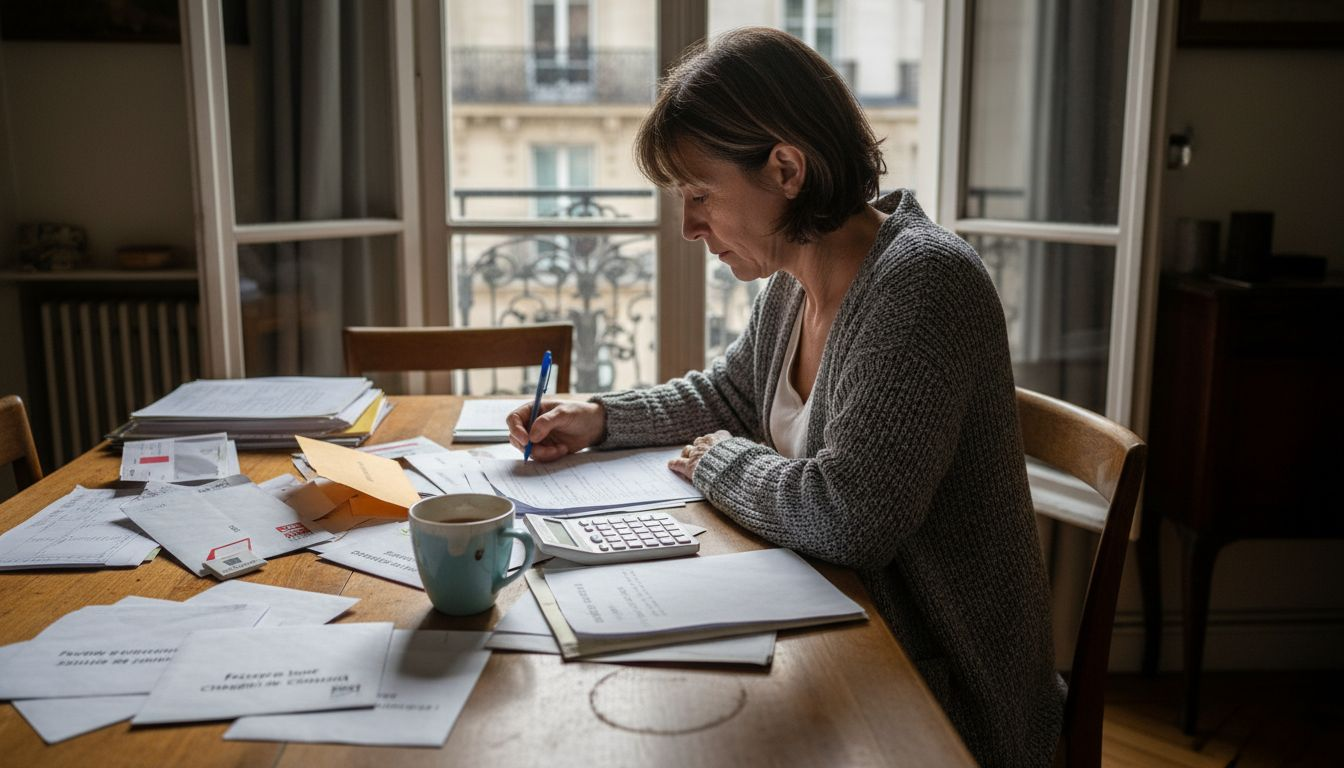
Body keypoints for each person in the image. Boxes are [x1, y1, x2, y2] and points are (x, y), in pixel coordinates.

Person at [507, 26, 1064, 766]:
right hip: (845, 633)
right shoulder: (791, 283)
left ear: (786, 169)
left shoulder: (924, 285)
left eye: (700, 195)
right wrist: (602, 418)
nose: (687, 227)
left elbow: (849, 516)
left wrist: (721, 465)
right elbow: (733, 397)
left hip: (938, 688)